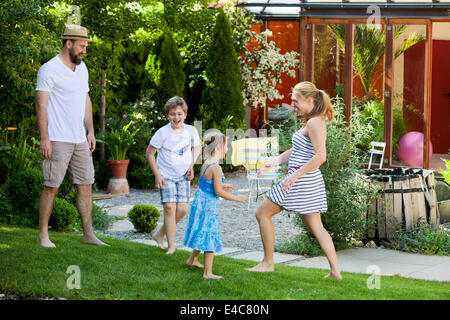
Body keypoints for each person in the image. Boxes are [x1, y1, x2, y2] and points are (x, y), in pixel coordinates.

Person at [246, 82, 342, 280]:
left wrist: (294, 175)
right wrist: (274, 161)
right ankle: (335, 272)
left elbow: (320, 156)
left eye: (295, 101)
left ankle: (267, 263)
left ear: (309, 100)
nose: (292, 105)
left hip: (300, 181)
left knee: (262, 213)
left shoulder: (315, 123)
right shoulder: (310, 121)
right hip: (305, 181)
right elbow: (297, 150)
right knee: (317, 227)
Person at [36, 25, 107, 247]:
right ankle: (43, 236)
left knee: (85, 184)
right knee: (51, 186)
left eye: (86, 46)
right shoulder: (49, 70)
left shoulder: (82, 68)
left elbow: (85, 100)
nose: (84, 51)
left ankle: (88, 235)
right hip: (57, 138)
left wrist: (91, 131)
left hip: (79, 139)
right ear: (68, 43)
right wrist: (45, 138)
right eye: (82, 46)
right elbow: (41, 104)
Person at [184, 132, 248, 279]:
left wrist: (223, 185)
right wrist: (237, 198)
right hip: (208, 206)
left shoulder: (207, 163)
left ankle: (192, 259)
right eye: (226, 146)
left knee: (202, 230)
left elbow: (208, 184)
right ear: (218, 147)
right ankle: (208, 273)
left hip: (200, 201)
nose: (227, 149)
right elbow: (218, 191)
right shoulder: (216, 168)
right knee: (209, 234)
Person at [146, 96, 202, 254]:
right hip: (166, 175)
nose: (176, 117)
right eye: (172, 114)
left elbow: (196, 147)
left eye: (179, 114)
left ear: (185, 114)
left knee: (183, 209)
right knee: (170, 208)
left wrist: (192, 165)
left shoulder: (191, 131)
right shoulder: (162, 133)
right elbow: (150, 154)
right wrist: (157, 175)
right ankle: (171, 246)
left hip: (183, 176)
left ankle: (159, 234)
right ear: (167, 116)